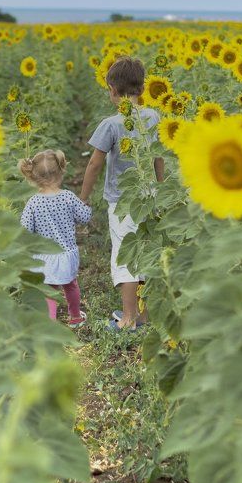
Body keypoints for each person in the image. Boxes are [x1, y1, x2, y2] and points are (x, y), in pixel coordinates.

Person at [80, 57, 164, 330]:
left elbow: (94, 163)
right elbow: (158, 158)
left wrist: (83, 197)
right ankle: (145, 316)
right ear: (141, 89)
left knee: (126, 256)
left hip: (123, 201)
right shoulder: (153, 117)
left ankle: (127, 319)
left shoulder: (111, 124)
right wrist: (161, 187)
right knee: (148, 255)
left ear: (114, 91)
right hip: (150, 199)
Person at [19, 149, 92, 326]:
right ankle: (75, 317)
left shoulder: (33, 202)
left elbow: (25, 229)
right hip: (66, 253)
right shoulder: (68, 197)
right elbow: (84, 217)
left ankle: (49, 323)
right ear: (61, 171)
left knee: (48, 291)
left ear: (34, 176)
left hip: (44, 256)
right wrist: (87, 205)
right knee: (71, 286)